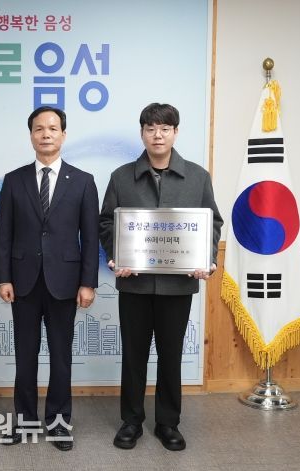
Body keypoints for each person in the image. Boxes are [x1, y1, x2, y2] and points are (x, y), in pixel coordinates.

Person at [99, 103, 223, 451]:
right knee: (133, 355)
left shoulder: (198, 176)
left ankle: (168, 423)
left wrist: (206, 259)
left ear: (175, 133)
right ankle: (131, 421)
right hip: (135, 283)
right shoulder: (121, 177)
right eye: (151, 128)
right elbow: (106, 222)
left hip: (177, 285)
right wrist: (116, 254)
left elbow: (212, 222)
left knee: (171, 356)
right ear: (142, 133)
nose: (158, 135)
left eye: (165, 129)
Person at [0, 106, 100, 451]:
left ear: (63, 135)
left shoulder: (83, 181)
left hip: (65, 282)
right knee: (25, 357)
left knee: (60, 356)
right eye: (39, 129)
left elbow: (90, 237)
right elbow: (4, 234)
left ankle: (58, 423)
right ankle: (24, 421)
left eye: (53, 128)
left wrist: (88, 283)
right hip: (23, 282)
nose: (46, 134)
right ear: (31, 136)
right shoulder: (14, 180)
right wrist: (3, 278)